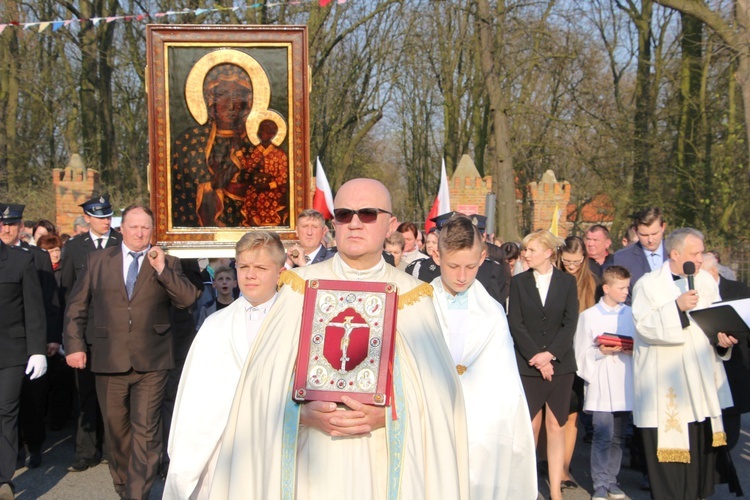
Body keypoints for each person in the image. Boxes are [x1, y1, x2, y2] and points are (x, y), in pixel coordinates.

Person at [207, 178, 469, 499]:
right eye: (344, 214)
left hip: (381, 460)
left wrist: (388, 414)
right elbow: (258, 387)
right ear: (334, 223)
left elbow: (440, 402)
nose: (355, 223)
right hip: (309, 459)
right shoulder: (298, 288)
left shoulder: (413, 296)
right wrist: (297, 413)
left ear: (390, 223)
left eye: (368, 213)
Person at [64, 204, 201, 500]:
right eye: (134, 227)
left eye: (145, 228)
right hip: (109, 358)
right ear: (121, 229)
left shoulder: (166, 262)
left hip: (153, 360)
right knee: (116, 433)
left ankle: (137, 494)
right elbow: (77, 307)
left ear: (152, 231)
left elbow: (188, 299)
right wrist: (74, 346)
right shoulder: (98, 260)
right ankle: (125, 486)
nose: (139, 233)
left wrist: (162, 269)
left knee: (147, 432)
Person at [165, 231, 285, 499]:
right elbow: (194, 400)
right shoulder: (214, 326)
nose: (250, 275)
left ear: (280, 271)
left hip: (278, 443)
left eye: (261, 267)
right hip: (221, 448)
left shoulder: (296, 320)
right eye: (243, 267)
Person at [430, 216, 536, 499]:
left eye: (471, 266)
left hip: (481, 430)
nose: (462, 276)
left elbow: (503, 384)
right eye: (453, 266)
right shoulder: (418, 307)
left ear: (483, 257)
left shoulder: (493, 314)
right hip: (431, 423)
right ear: (436, 255)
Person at [631, 228, 734, 500]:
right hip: (666, 385)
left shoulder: (706, 282)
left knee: (700, 458)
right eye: (695, 253)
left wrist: (722, 340)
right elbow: (644, 327)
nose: (700, 259)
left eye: (701, 253)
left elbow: (715, 321)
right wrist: (676, 307)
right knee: (670, 466)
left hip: (700, 384)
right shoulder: (649, 284)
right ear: (675, 254)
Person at [507, 229, 579, 500]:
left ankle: (556, 491)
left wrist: (550, 356)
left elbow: (570, 322)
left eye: (531, 250)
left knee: (556, 426)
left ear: (548, 253)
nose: (525, 255)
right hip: (529, 365)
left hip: (560, 365)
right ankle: (527, 489)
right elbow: (516, 323)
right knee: (531, 427)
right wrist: (537, 357)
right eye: (525, 250)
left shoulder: (566, 283)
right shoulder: (519, 283)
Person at [60, 195, 122, 473]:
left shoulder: (121, 243)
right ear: (87, 218)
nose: (105, 220)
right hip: (86, 331)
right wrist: (70, 337)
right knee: (85, 394)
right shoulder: (74, 248)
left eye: (107, 215)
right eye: (99, 216)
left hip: (115, 329)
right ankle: (86, 452)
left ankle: (113, 449)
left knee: (113, 395)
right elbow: (69, 293)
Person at [0, 203, 60, 470]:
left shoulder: (31, 256)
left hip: (20, 344)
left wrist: (46, 340)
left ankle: (31, 448)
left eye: (11, 224)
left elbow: (44, 302)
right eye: (2, 224)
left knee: (26, 402)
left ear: (20, 226)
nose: (6, 229)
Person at [574, 266, 635, 500]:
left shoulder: (631, 314)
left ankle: (612, 480)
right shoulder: (589, 316)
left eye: (627, 287)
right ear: (607, 288)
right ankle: (599, 482)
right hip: (600, 381)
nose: (625, 292)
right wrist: (601, 351)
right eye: (621, 288)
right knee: (602, 433)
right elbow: (580, 352)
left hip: (624, 379)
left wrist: (632, 349)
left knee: (619, 436)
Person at [171, 64, 257, 228]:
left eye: (237, 96)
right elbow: (183, 192)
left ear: (247, 103)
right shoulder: (191, 141)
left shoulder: (253, 145)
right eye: (223, 95)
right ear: (211, 101)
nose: (230, 105)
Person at [557, 235, 599, 486]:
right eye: (567, 261)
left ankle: (563, 468)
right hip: (555, 353)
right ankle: (547, 460)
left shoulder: (591, 283)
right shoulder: (553, 279)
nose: (572, 266)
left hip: (578, 355)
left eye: (577, 261)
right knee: (553, 416)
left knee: (571, 415)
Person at [701, 252, 750, 450]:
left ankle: (725, 472)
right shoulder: (694, 293)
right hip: (704, 369)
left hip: (734, 370)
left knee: (729, 433)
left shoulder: (739, 291)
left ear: (713, 271)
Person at [610, 207, 668, 303]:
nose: (650, 240)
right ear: (635, 231)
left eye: (654, 234)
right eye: (644, 235)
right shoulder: (622, 258)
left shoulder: (677, 252)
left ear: (663, 227)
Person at [242, 119, 290, 226]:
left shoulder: (279, 153)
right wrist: (239, 154)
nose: (261, 133)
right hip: (256, 188)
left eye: (265, 131)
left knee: (267, 203)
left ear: (272, 134)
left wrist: (268, 185)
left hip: (273, 190)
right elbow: (248, 167)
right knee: (249, 201)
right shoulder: (257, 151)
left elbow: (283, 176)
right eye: (261, 130)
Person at [196, 266, 237, 331]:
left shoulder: (241, 307)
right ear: (214, 284)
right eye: (220, 279)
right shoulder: (206, 308)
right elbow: (200, 332)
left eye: (228, 279)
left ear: (235, 283)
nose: (224, 282)